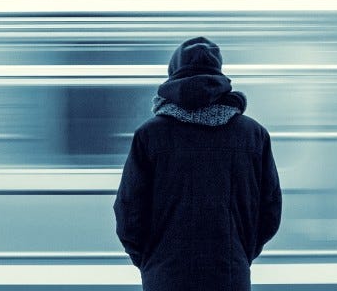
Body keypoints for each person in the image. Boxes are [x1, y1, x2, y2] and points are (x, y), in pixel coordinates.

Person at [114, 37, 282, 291]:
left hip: (165, 278)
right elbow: (269, 212)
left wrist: (150, 262)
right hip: (229, 276)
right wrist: (239, 253)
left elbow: (129, 212)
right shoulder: (253, 135)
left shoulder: (149, 135)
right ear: (218, 75)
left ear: (173, 75)